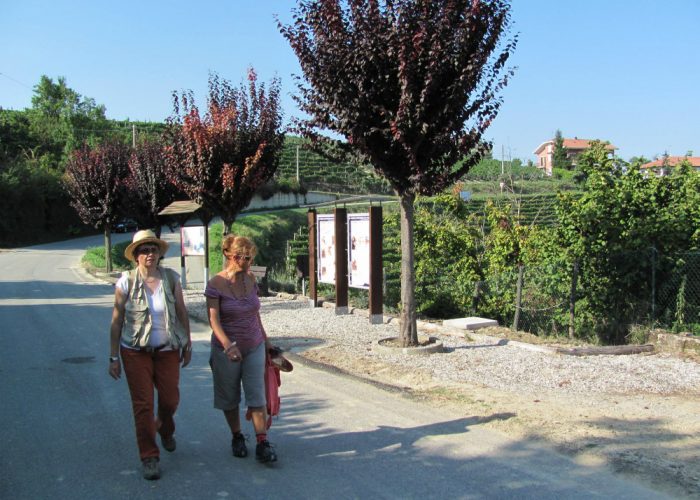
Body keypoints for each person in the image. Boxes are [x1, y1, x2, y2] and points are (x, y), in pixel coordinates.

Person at [108, 229, 192, 480]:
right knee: (143, 405)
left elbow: (182, 313)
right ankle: (149, 456)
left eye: (153, 249)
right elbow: (116, 321)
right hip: (135, 352)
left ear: (159, 253)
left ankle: (165, 429)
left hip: (167, 350)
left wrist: (187, 344)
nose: (149, 254)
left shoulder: (170, 278)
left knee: (170, 400)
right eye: (144, 250)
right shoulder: (126, 282)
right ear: (135, 256)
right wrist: (113, 357)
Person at [205, 234, 278, 463]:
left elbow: (255, 314)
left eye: (249, 257)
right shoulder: (215, 284)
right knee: (229, 396)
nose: (245, 261)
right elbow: (214, 320)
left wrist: (266, 343)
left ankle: (262, 441)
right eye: (240, 256)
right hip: (227, 347)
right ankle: (237, 436)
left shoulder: (251, 279)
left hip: (254, 344)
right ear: (228, 255)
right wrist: (228, 345)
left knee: (257, 394)